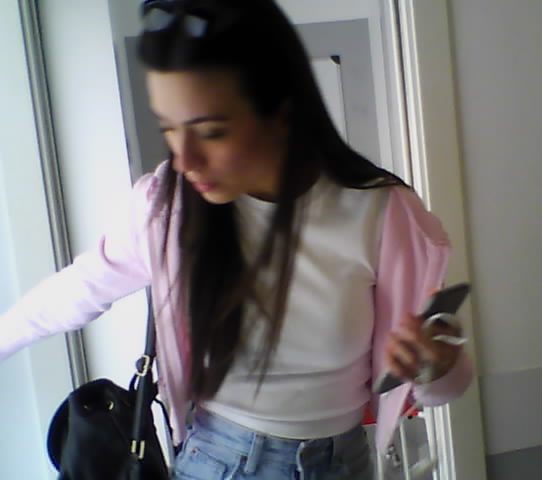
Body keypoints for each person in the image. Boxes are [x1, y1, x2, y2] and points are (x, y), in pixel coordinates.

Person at [0, 0, 473, 478]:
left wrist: (435, 365)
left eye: (210, 132)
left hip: (347, 463)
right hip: (219, 462)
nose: (184, 160)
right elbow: (80, 289)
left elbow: (440, 386)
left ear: (281, 109)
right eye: (169, 129)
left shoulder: (382, 214)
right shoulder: (169, 211)